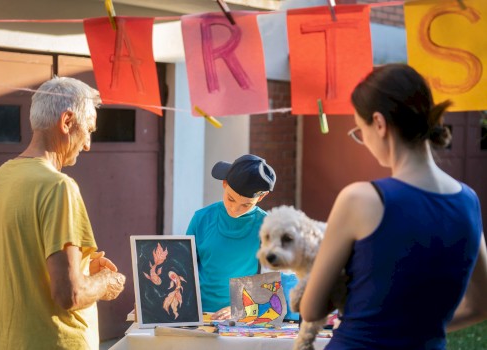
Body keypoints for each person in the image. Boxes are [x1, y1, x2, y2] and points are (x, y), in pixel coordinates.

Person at [300, 64, 487, 349]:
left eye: (360, 131)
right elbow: (481, 306)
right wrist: (420, 326)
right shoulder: (468, 201)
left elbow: (311, 309)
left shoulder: (360, 199)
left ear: (379, 123)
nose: (365, 142)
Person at [0, 77, 126, 349]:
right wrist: (105, 282)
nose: (88, 144)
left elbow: (19, 266)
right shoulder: (58, 187)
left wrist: (84, 269)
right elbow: (70, 294)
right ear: (66, 121)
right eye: (88, 129)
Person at [187, 154, 276, 320]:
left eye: (246, 205)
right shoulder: (201, 219)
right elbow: (183, 269)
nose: (235, 209)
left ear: (261, 197)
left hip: (245, 316)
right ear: (224, 183)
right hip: (200, 313)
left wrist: (239, 307)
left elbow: (273, 282)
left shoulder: (269, 228)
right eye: (230, 199)